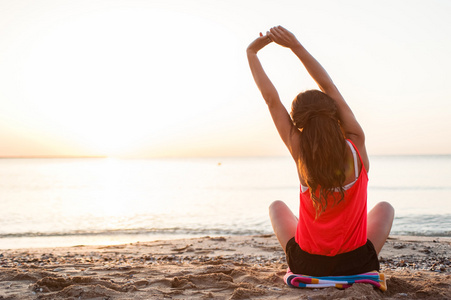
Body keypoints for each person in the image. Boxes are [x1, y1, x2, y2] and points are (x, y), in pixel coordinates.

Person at [247, 26, 395, 276]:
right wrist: (296, 46)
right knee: (385, 208)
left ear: (299, 122)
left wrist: (252, 53)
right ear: (334, 113)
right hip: (357, 263)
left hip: (307, 264)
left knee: (276, 207)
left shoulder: (299, 150)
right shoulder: (356, 143)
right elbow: (329, 86)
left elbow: (271, 101)